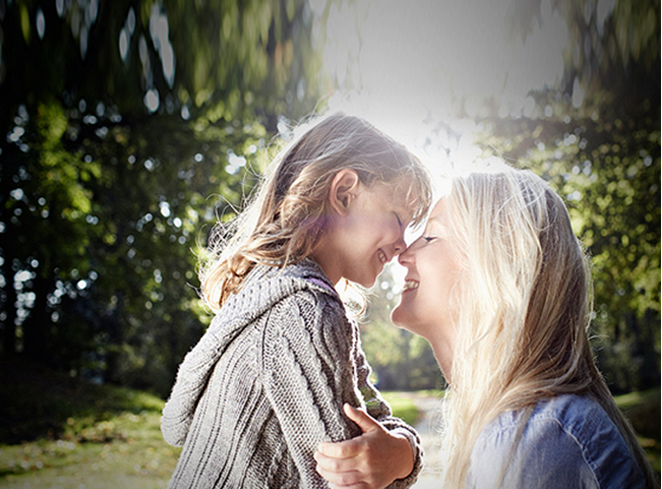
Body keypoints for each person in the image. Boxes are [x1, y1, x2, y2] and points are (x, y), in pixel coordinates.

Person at [316, 166, 658, 488]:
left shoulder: (534, 436)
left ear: (496, 270)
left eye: (431, 237)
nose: (402, 254)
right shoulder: (528, 428)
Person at [160, 112, 432, 488]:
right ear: (344, 194)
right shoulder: (304, 313)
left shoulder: (274, 294)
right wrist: (402, 459)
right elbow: (351, 480)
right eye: (399, 219)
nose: (403, 245)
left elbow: (376, 424)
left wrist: (404, 453)